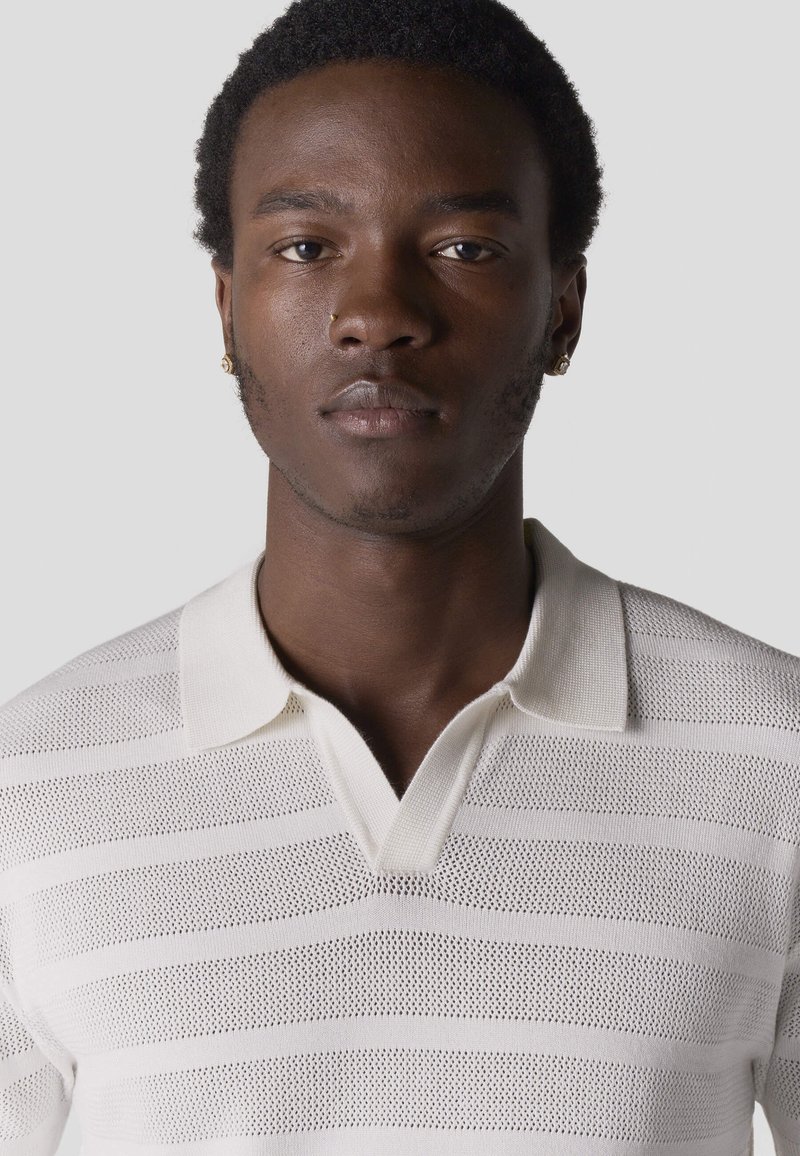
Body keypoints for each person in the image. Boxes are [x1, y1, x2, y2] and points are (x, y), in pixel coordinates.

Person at [1, 0, 798, 1152]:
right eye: (305, 248)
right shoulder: (31, 786)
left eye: (462, 248)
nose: (376, 314)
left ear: (563, 311)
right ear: (226, 310)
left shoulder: (775, 760)